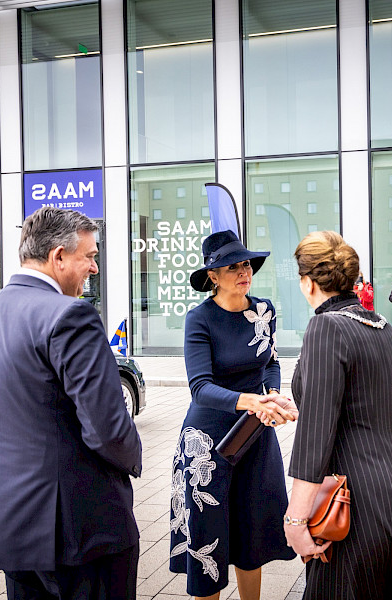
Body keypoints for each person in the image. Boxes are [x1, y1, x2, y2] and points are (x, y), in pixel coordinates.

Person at [0, 207, 143, 599]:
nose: (94, 268)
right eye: (90, 256)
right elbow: (108, 430)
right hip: (79, 528)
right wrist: (134, 459)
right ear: (58, 257)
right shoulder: (71, 314)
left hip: (9, 525)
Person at [285, 231, 392, 599]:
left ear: (308, 282)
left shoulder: (325, 327)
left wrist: (295, 520)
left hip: (356, 500)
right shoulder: (380, 326)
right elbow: (359, 399)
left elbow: (315, 438)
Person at [170, 230, 297, 600]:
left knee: (251, 529)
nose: (244, 272)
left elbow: (270, 361)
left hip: (254, 435)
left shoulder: (264, 310)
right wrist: (253, 401)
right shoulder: (200, 319)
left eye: (246, 264)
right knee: (207, 533)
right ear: (213, 275)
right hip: (206, 444)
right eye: (232, 267)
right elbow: (201, 388)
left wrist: (271, 394)